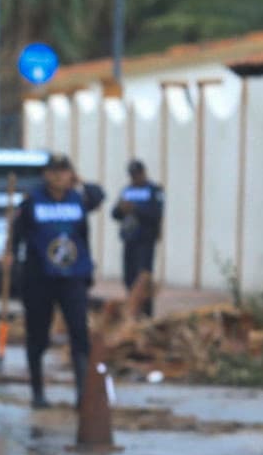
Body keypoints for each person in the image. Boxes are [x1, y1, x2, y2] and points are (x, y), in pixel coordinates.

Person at [11, 153, 105, 410]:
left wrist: (80, 180)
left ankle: (82, 394)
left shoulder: (79, 198)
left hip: (73, 277)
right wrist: (10, 258)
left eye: (64, 171)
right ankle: (38, 393)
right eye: (53, 171)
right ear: (45, 174)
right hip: (39, 277)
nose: (58, 176)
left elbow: (99, 195)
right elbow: (16, 234)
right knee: (38, 335)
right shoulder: (32, 200)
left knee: (79, 333)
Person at [112, 160, 164, 317]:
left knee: (143, 279)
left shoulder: (154, 190)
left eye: (137, 174)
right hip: (129, 240)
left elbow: (156, 213)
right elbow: (114, 214)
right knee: (129, 278)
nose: (135, 178)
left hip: (145, 241)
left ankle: (146, 314)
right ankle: (133, 311)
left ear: (143, 172)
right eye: (132, 175)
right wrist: (121, 209)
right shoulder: (127, 190)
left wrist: (135, 208)